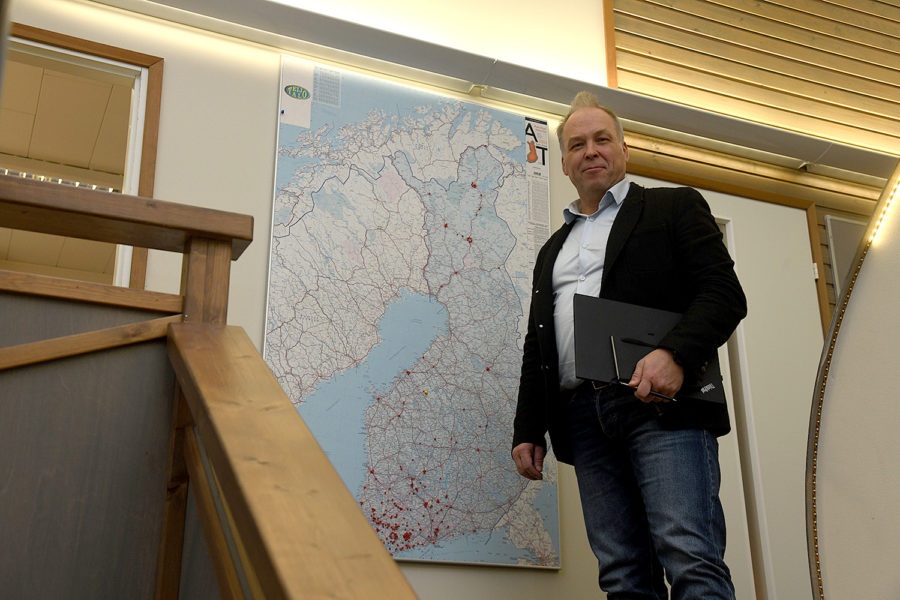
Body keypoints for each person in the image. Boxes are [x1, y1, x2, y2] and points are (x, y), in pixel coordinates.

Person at [512, 91, 747, 599]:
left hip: (660, 404)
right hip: (581, 416)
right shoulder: (552, 250)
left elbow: (724, 295)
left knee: (689, 554)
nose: (591, 151)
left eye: (602, 139)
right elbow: (539, 344)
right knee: (621, 575)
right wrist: (528, 428)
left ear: (624, 149)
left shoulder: (673, 207)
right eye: (577, 145)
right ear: (565, 164)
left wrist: (675, 354)